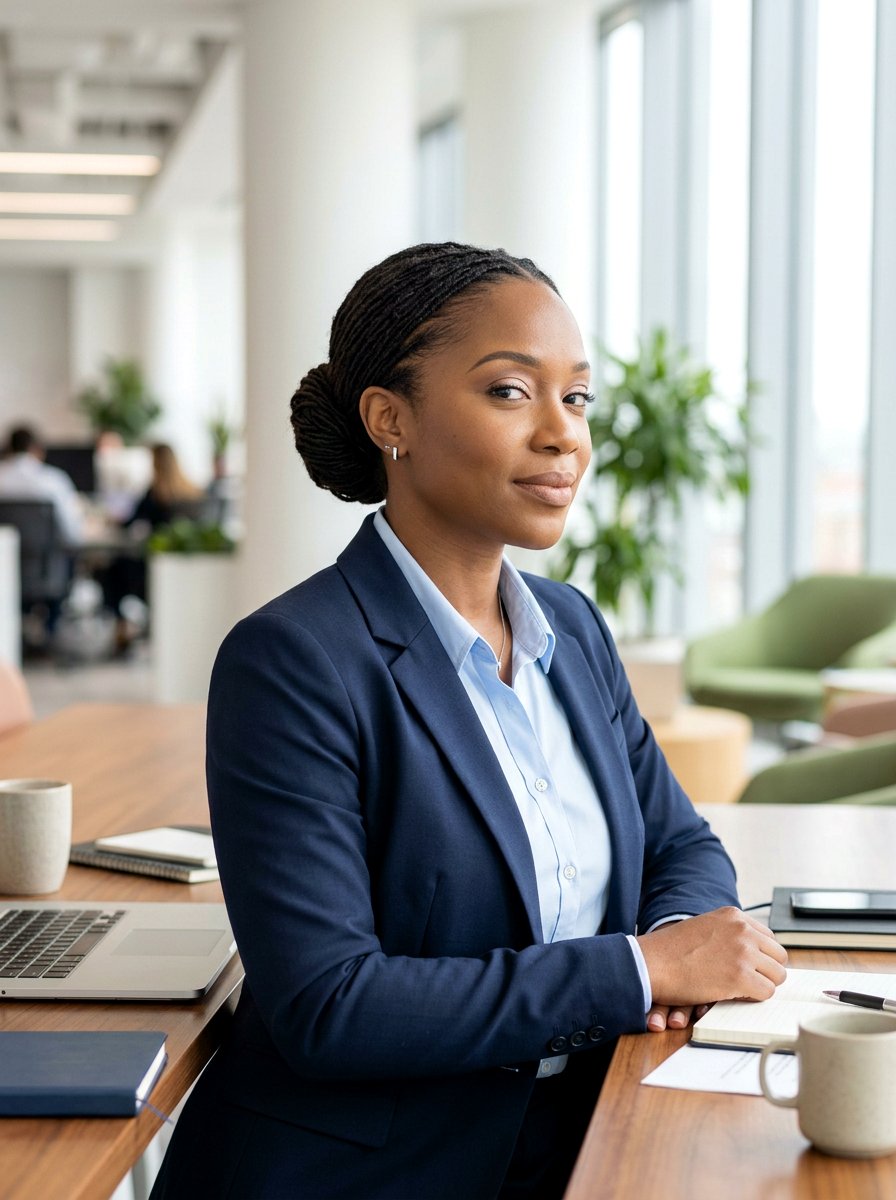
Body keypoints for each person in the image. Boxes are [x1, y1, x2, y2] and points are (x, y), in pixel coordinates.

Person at [150, 243, 787, 1200]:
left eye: (577, 399)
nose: (561, 435)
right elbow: (330, 1004)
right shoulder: (292, 659)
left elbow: (677, 840)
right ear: (389, 419)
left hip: (586, 1135)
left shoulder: (569, 626)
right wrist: (639, 972)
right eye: (508, 391)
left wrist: (681, 939)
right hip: (363, 1171)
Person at [0, 424, 83, 546]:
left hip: (4, 560)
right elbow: (72, 533)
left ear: (8, 450)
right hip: (45, 561)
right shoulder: (54, 480)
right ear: (37, 449)